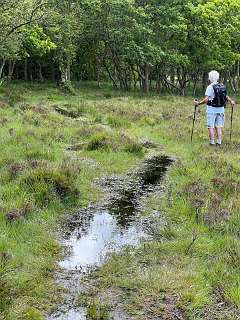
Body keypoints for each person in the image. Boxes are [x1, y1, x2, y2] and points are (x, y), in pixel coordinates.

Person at [194, 70, 235, 145]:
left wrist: (198, 103)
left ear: (210, 78)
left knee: (211, 127)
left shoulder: (210, 87)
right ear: (217, 77)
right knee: (218, 127)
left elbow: (206, 99)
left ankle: (212, 143)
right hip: (221, 110)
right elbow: (226, 96)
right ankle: (219, 142)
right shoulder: (222, 85)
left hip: (211, 110)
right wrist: (231, 101)